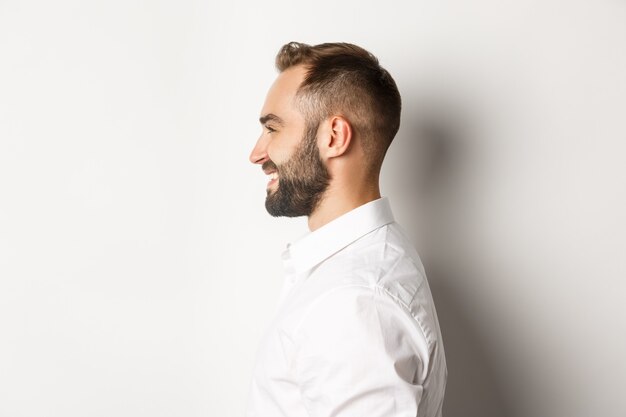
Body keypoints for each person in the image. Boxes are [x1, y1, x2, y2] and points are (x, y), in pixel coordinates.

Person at [246, 41, 447, 417]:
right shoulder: (355, 273)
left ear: (334, 137)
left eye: (272, 129)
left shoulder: (354, 302)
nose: (256, 153)